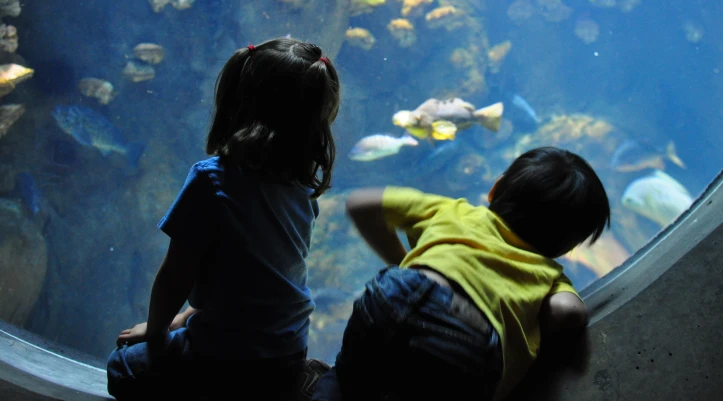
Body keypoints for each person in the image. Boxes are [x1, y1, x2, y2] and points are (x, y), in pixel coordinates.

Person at [106, 38, 340, 401]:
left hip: (225, 356)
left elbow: (175, 276)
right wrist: (179, 320)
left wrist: (154, 332)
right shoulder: (300, 188)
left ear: (236, 104)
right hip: (287, 353)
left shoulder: (211, 179)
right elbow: (251, 280)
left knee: (122, 366)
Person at [313, 146, 611, 401]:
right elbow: (566, 312)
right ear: (567, 247)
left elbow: (361, 204)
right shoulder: (547, 272)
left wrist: (405, 264)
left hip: (393, 294)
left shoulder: (454, 210)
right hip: (465, 337)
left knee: (349, 380)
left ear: (495, 189)